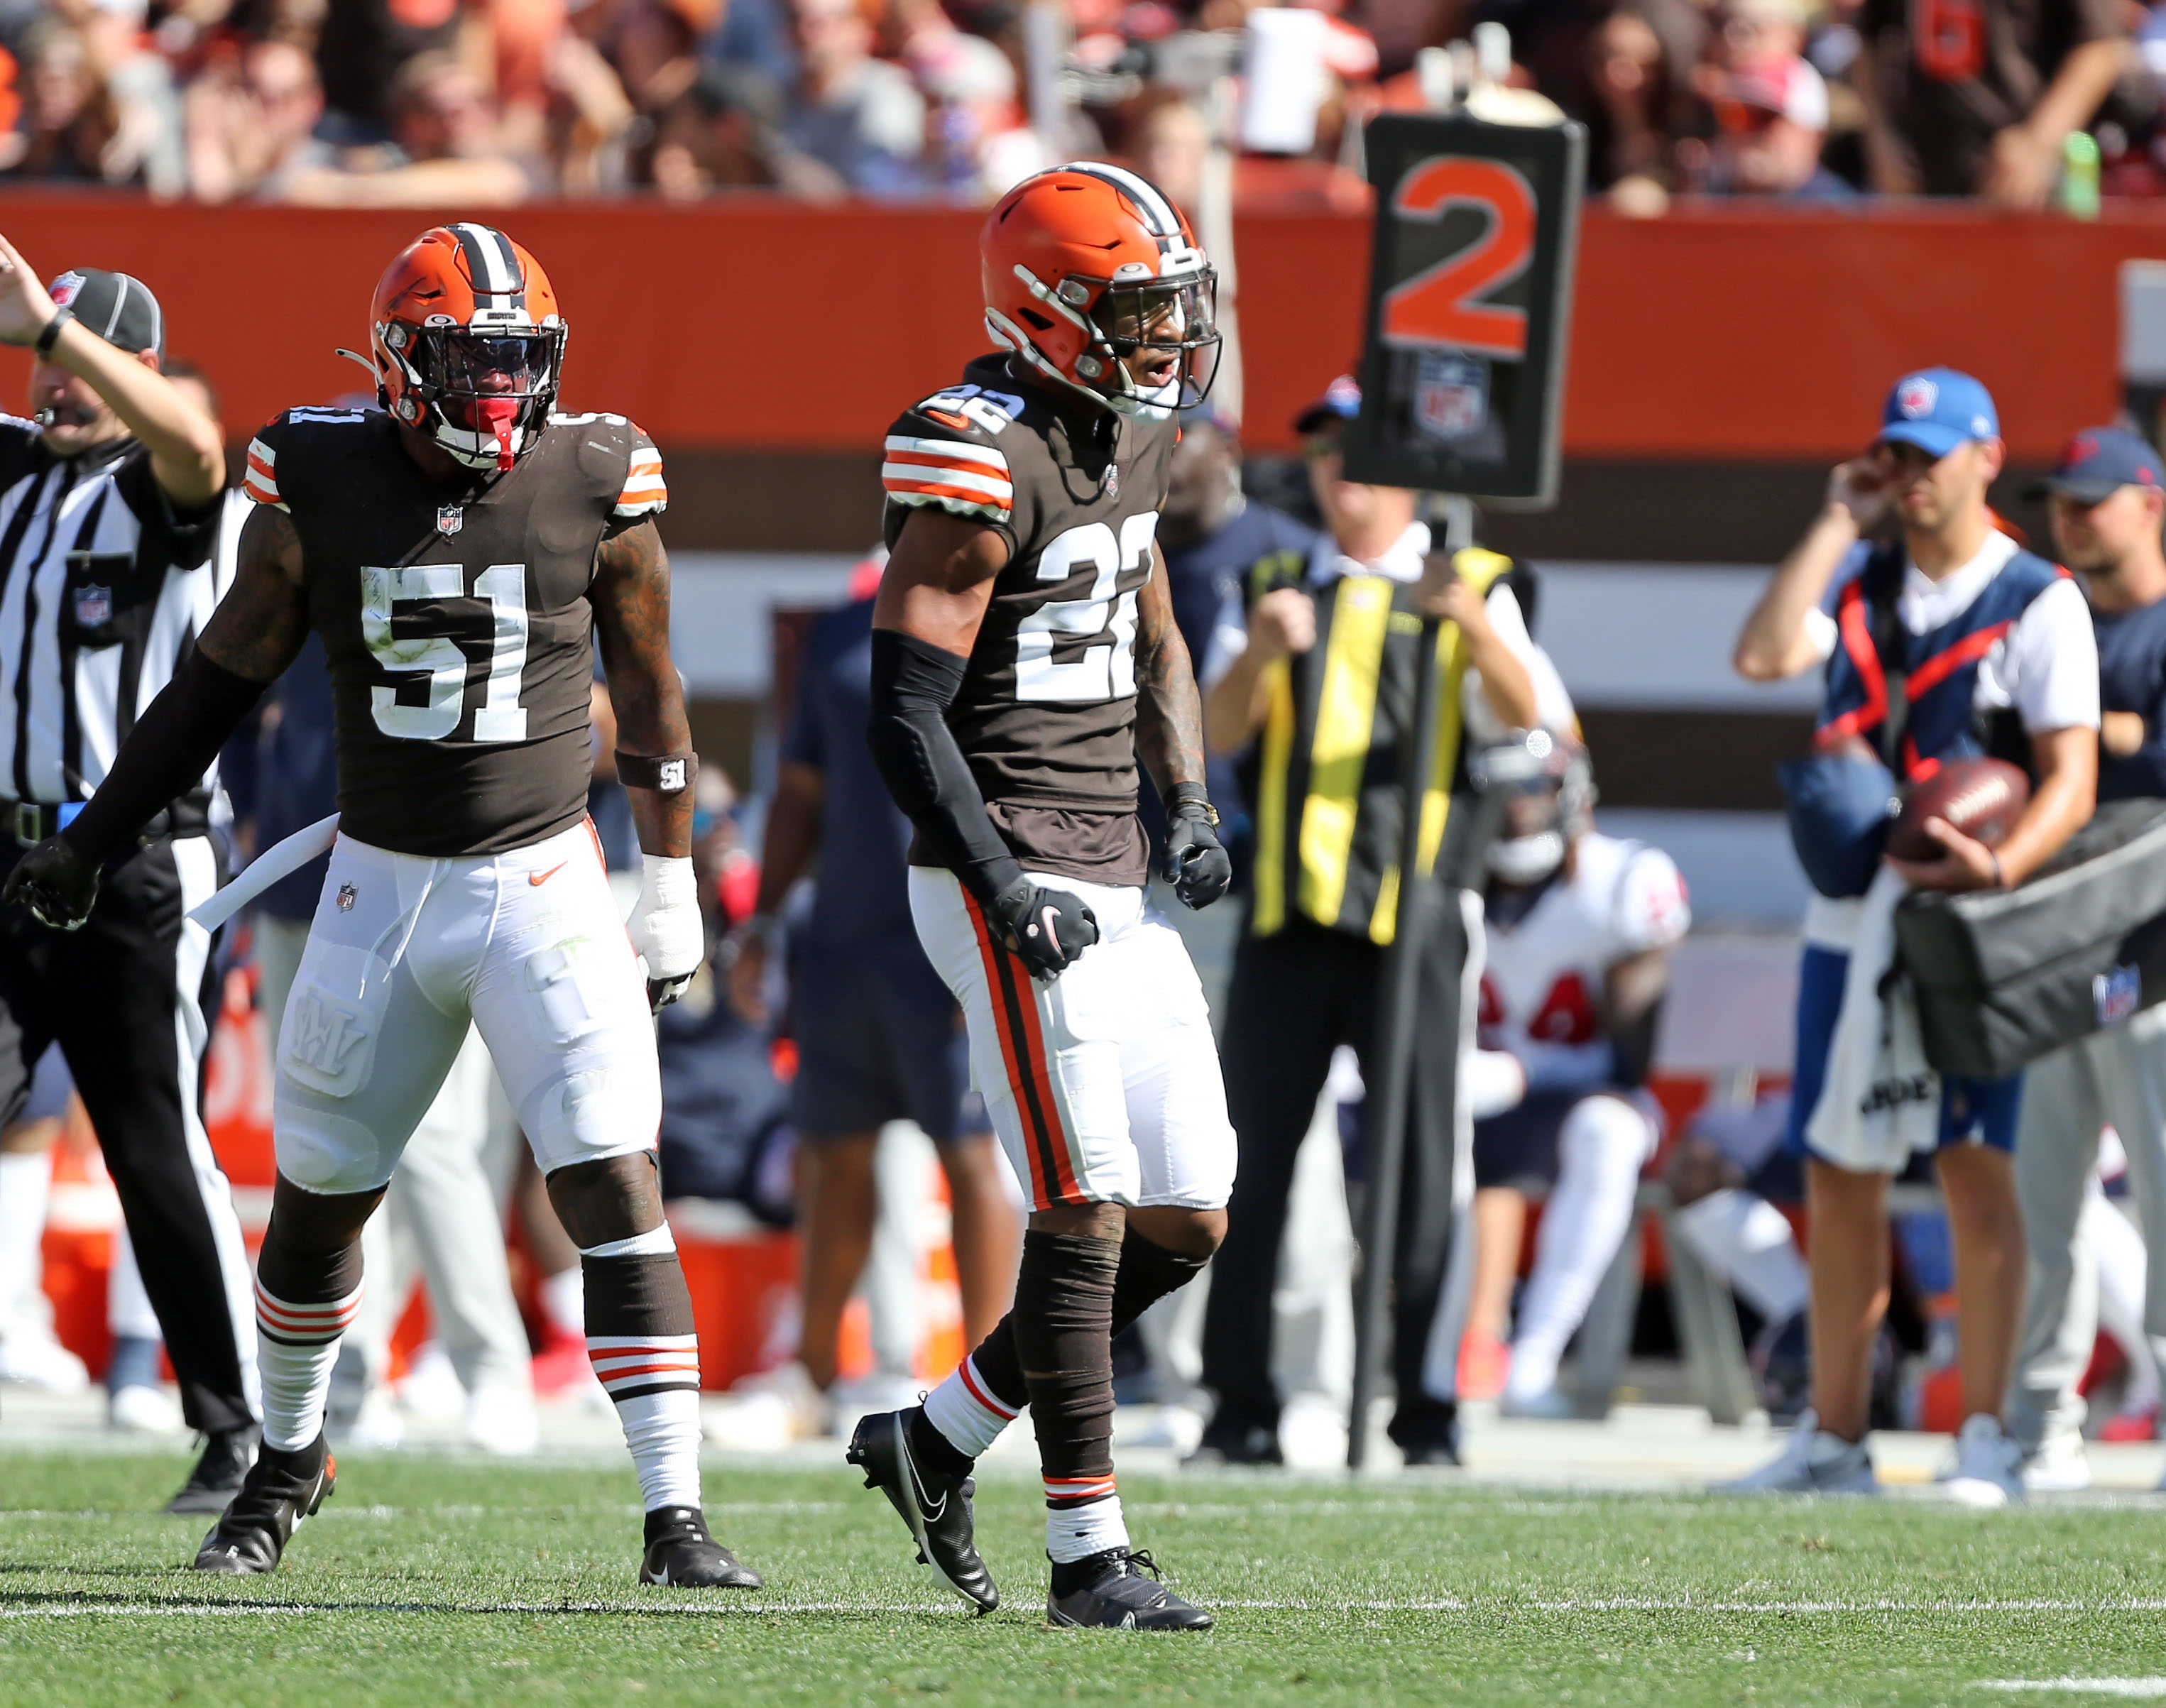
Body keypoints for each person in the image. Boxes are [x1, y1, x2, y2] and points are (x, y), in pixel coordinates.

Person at [4, 224, 755, 1589]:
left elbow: (652, 691)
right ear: (400, 363)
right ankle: (286, 1459)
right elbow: (218, 679)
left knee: (614, 1179)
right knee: (318, 1204)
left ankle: (675, 1511)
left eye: (519, 363)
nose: (497, 396)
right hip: (380, 883)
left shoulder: (596, 467)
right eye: (471, 365)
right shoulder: (323, 468)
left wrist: (671, 879)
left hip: (545, 880)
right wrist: (98, 839)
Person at [846, 163, 1235, 1632]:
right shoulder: (972, 451)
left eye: (1166, 311)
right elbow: (902, 706)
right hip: (999, 864)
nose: (1162, 340)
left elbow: (1155, 633)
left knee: (1188, 1215)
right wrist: (1001, 884)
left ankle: (933, 1440)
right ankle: (1089, 1558)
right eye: (1135, 312)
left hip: (1111, 869)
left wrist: (1184, 805)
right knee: (1080, 1205)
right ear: (1046, 312)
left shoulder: (1126, 437)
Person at [1727, 368, 2099, 1503]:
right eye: (1897, 453)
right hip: (1850, 912)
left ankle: (1987, 1433)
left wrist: (2001, 864)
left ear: (1985, 456)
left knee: (1972, 1167)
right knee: (1840, 1170)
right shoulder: (1859, 574)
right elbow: (1757, 654)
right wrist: (1838, 512)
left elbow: (2067, 777)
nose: (1913, 476)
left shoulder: (2038, 595)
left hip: (1968, 924)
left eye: (1930, 455)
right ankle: (1833, 1440)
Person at [1191, 373, 1554, 1469]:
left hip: (1419, 921)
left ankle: (1425, 1410)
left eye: (1360, 453)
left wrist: (1472, 628)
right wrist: (1261, 650)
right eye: (1323, 453)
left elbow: (1529, 716)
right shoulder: (1270, 581)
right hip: (1287, 920)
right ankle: (1239, 1406)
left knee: (1415, 1180)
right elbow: (1215, 725)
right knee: (1248, 1172)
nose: (1338, 474)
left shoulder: (1479, 582)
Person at [0, 256, 259, 1511]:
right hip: (5, 853)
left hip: (132, 854)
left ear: (131, 369)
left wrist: (56, 321)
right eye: (44, 363)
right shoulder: (14, 472)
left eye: (80, 363)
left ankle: (241, 1425)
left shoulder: (162, 492)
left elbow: (200, 441)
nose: (54, 381)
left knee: (151, 1142)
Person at [724, 579, 1019, 1439]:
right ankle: (811, 1376)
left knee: (967, 1155)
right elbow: (802, 788)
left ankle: (992, 1385)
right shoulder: (842, 631)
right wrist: (765, 920)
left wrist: (1002, 927)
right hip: (845, 937)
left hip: (952, 936)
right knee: (833, 1155)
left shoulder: (997, 628)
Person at [2006, 427, 2166, 1491]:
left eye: (2091, 498)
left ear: (2147, 502)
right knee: (2044, 1195)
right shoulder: (2039, 615)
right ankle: (2037, 1425)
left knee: (2159, 1192)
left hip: (2153, 939)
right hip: (2047, 941)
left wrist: (2085, 733)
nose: (2070, 515)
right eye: (2059, 499)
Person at [1459, 739, 1690, 1417]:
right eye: (1501, 795)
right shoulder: (1437, 872)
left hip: (1572, 1094)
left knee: (1610, 1133)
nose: (1518, 811)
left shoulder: (1623, 881)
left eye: (1532, 791)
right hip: (1458, 1090)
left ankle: (1532, 1361)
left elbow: (1630, 1065)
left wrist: (1527, 1070)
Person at [1853, 0, 2129, 202]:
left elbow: (2100, 46)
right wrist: (1881, 138)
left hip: (2019, 186)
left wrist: (2038, 141)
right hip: (1919, 180)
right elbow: (1867, 41)